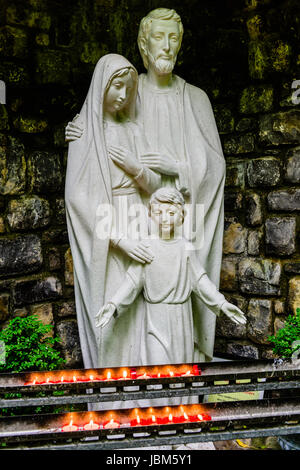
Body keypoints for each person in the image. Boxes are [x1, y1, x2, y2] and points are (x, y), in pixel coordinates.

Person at [66, 8, 226, 363]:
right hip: (129, 219)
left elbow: (214, 168)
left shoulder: (195, 99)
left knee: (177, 296)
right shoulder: (129, 92)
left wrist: (177, 166)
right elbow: (99, 119)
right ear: (143, 44)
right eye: (159, 37)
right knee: (130, 301)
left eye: (174, 38)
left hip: (182, 216)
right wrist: (80, 128)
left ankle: (175, 390)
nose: (166, 47)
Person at [65, 53, 163, 369]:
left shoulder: (134, 130)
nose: (123, 95)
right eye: (117, 86)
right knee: (112, 309)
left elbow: (154, 185)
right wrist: (120, 239)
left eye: (128, 88)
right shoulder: (83, 132)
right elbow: (78, 198)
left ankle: (142, 391)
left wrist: (136, 169)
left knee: (142, 310)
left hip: (139, 217)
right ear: (101, 85)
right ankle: (112, 394)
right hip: (108, 231)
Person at [95, 187, 246, 366]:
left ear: (181, 216)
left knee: (180, 371)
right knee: (157, 369)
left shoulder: (185, 248)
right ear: (151, 214)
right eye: (159, 212)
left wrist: (222, 304)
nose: (165, 218)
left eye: (171, 213)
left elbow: (199, 281)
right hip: (155, 320)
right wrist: (113, 304)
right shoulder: (147, 247)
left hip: (181, 319)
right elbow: (133, 282)